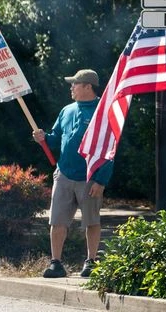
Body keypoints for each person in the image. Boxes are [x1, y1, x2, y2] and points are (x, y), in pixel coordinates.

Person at [32, 69, 113, 278]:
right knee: (56, 220)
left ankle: (91, 262)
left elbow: (109, 149)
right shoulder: (66, 110)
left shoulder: (103, 112)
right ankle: (56, 263)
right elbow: (55, 138)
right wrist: (42, 137)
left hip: (90, 177)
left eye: (75, 84)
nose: (71, 87)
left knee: (92, 221)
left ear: (88, 86)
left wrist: (101, 179)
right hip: (64, 174)